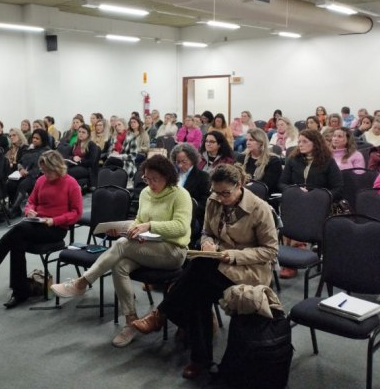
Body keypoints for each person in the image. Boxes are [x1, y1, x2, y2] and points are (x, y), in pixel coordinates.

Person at [131, 164, 278, 380]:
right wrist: (207, 244)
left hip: (248, 270)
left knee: (197, 273)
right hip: (216, 265)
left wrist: (233, 256)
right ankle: (200, 359)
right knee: (198, 291)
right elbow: (206, 232)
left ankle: (163, 315)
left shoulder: (260, 209)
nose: (220, 197)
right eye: (216, 192)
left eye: (225, 193)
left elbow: (270, 251)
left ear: (240, 186)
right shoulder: (214, 200)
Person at [51, 155, 191, 347]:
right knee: (119, 264)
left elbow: (181, 227)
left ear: (167, 177)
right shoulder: (146, 194)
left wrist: (149, 226)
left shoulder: (180, 194)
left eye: (154, 179)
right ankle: (131, 322)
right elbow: (139, 221)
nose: (150, 183)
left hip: (173, 251)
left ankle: (82, 282)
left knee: (121, 245)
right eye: (146, 179)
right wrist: (132, 228)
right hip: (148, 246)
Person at [0, 150, 82, 309]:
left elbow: (76, 213)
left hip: (55, 229)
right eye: (44, 171)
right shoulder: (41, 180)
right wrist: (29, 211)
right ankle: (20, 291)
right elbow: (31, 201)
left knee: (19, 230)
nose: (45, 174)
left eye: (48, 171)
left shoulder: (71, 183)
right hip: (36, 224)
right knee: (17, 241)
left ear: (58, 168)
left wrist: (54, 220)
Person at [278, 129, 343, 279]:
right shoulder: (293, 160)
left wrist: (318, 197)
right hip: (297, 202)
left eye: (305, 141)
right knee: (294, 209)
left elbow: (338, 188)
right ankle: (294, 253)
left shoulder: (328, 162)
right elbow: (281, 183)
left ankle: (296, 251)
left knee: (302, 211)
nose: (300, 144)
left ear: (316, 143)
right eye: (299, 141)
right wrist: (294, 190)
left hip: (320, 206)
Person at [171, 143, 210, 246]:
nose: (180, 165)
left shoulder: (203, 177)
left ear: (192, 160)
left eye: (184, 162)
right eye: (177, 162)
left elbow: (205, 203)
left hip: (192, 217)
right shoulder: (172, 176)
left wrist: (185, 208)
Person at [6, 128, 51, 216]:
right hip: (25, 174)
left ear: (43, 140)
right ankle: (16, 209)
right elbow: (20, 162)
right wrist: (21, 169)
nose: (34, 140)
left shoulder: (46, 151)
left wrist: (29, 173)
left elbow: (42, 167)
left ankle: (13, 208)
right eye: (33, 137)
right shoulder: (29, 149)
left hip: (38, 176)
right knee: (10, 183)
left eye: (37, 138)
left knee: (23, 184)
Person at [236, 128, 282, 193]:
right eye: (247, 140)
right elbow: (234, 176)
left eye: (251, 140)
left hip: (262, 194)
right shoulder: (241, 157)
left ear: (261, 142)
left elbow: (267, 184)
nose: (247, 143)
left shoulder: (273, 160)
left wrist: (248, 186)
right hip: (241, 191)